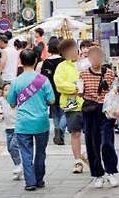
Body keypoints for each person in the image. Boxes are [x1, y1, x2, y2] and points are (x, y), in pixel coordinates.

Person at [8, 48, 56, 191]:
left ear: (21, 62)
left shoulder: (15, 82)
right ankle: (39, 179)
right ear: (36, 61)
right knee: (41, 153)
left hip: (23, 124)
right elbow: (52, 100)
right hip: (41, 122)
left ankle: (30, 182)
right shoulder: (44, 80)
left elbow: (11, 103)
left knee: (26, 153)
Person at [80, 46, 119, 188]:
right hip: (90, 111)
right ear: (89, 58)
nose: (95, 60)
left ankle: (111, 171)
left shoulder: (109, 73)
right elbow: (80, 93)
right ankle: (98, 174)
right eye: (92, 57)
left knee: (107, 142)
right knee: (92, 143)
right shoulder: (83, 74)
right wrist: (78, 90)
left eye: (98, 57)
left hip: (106, 111)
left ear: (102, 58)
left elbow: (114, 91)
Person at [54, 39, 85, 174]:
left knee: (91, 133)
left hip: (88, 104)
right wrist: (75, 88)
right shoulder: (61, 67)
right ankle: (78, 161)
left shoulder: (85, 63)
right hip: (71, 105)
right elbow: (59, 84)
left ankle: (93, 156)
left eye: (72, 49)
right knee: (75, 133)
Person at [0, 84, 22, 181]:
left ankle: (19, 165)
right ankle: (18, 166)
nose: (8, 92)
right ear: (2, 92)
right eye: (6, 90)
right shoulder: (2, 100)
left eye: (10, 90)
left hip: (18, 128)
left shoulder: (18, 101)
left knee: (13, 146)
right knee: (10, 149)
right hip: (8, 129)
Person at [39, 38, 66, 145]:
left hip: (50, 92)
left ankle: (57, 130)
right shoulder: (64, 61)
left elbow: (42, 79)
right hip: (63, 91)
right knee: (65, 112)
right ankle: (61, 131)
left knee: (55, 113)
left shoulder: (46, 62)